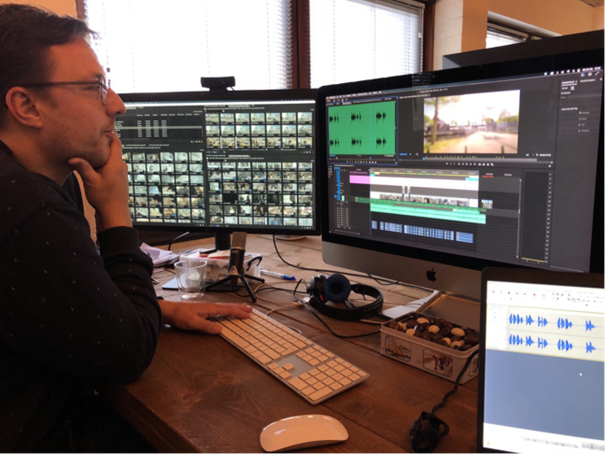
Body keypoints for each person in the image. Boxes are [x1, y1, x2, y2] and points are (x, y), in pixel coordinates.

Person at [0, 4, 252, 453]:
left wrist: (159, 307)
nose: (116, 104)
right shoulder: (27, 208)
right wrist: (116, 212)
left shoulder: (39, 183)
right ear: (26, 105)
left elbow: (66, 298)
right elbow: (127, 355)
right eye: (95, 87)